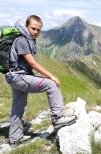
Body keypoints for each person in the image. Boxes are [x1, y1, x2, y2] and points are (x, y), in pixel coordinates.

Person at [5, 15, 76, 145]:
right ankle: (58, 118)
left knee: (18, 106)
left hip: (14, 76)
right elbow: (32, 63)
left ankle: (15, 138)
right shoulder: (22, 40)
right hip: (18, 76)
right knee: (51, 85)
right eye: (33, 28)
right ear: (27, 26)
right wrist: (51, 76)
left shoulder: (26, 39)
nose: (36, 32)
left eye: (38, 30)